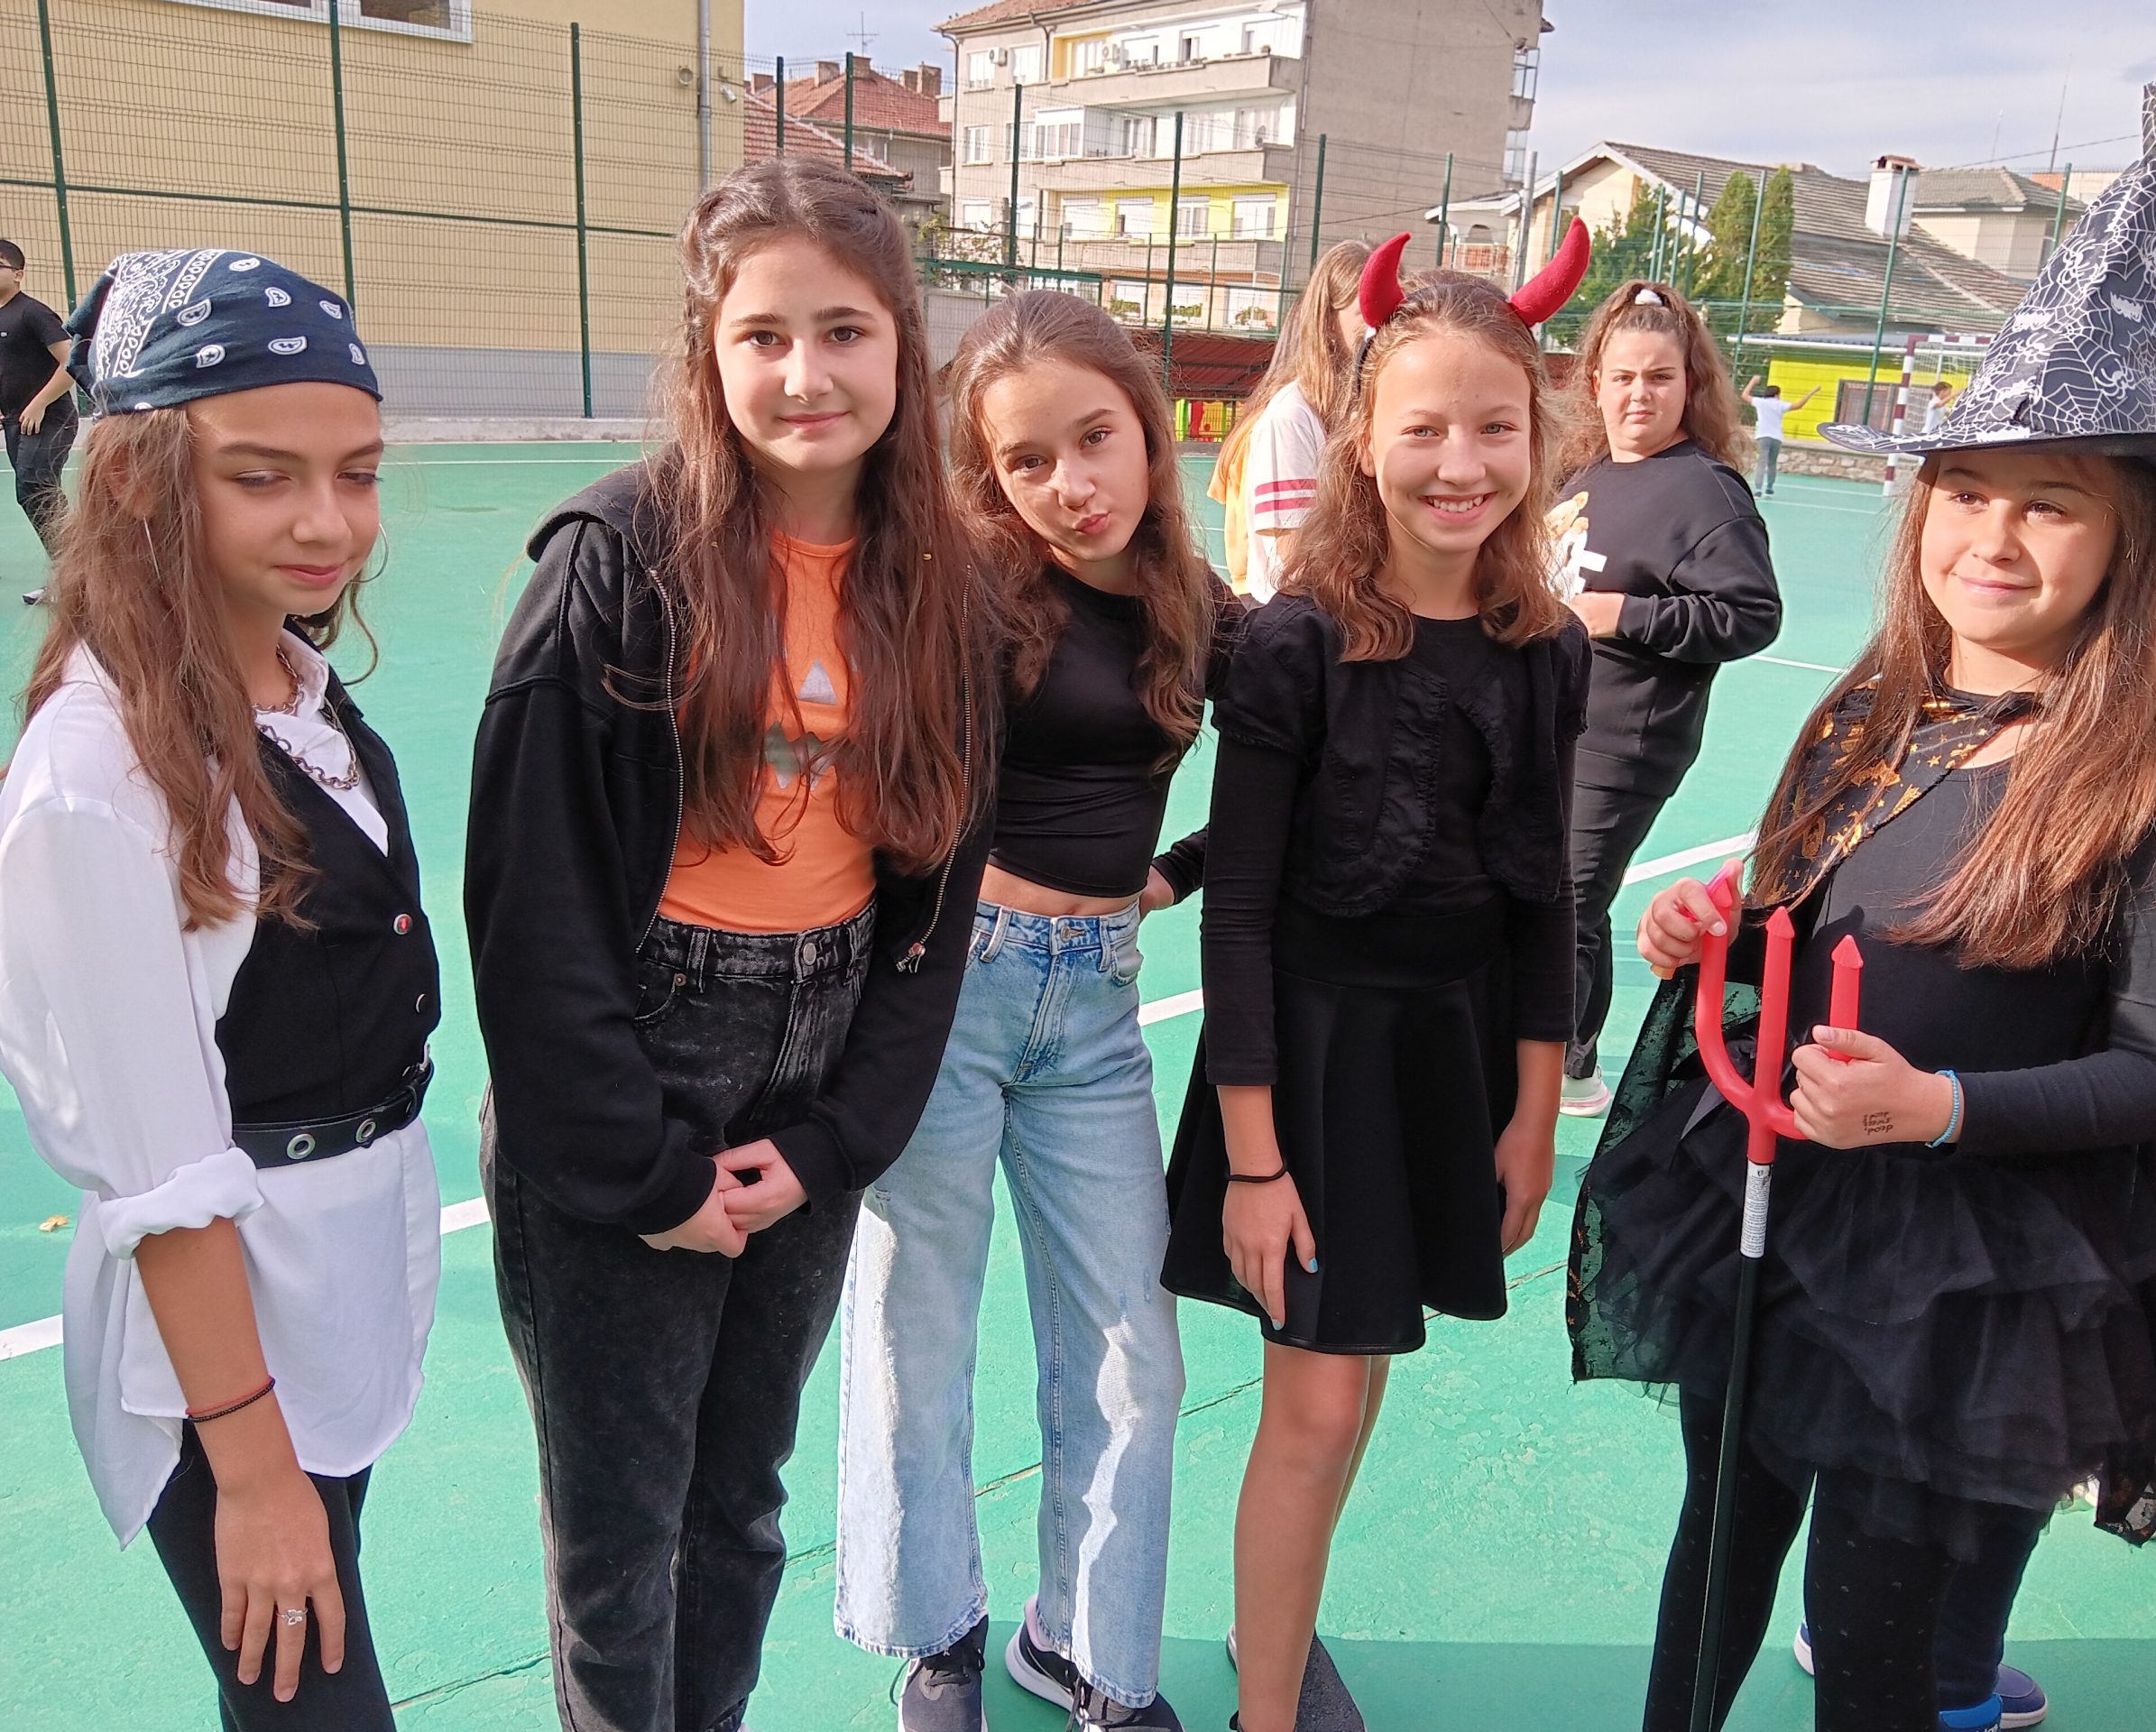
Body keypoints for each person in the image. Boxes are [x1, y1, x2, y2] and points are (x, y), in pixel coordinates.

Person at [1567, 86, 2156, 1732]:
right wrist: (1716, 941)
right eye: (1967, 492)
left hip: (1963, 1276)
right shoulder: (1868, 715)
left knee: (1877, 1641)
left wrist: (1940, 1106)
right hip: (1779, 1210)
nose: (1995, 538)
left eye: (2050, 504)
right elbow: (1798, 924)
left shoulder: (2151, 786)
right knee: (1717, 1551)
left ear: (2127, 539)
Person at [465, 158, 996, 1732]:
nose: (805, 374)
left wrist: (831, 1144)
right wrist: (646, 1174)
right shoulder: (618, 563)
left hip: (811, 1071)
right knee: (621, 1538)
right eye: (763, 335)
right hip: (637, 1067)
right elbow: (534, 917)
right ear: (708, 351)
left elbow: (932, 912)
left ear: (902, 346)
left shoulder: (942, 588)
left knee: (741, 1503)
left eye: (844, 332)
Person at [0, 249, 440, 1730]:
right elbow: (161, 1173)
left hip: (333, 1290)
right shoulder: (101, 768)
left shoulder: (290, 682)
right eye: (262, 477)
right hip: (226, 1356)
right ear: (141, 482)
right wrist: (250, 1474)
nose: (328, 521)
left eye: (356, 474)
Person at [1163, 229, 1591, 1732]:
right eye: (1425, 428)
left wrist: (1531, 1111)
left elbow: (1542, 892)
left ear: (1539, 441)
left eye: (1495, 427)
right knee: (1320, 1395)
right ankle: (1266, 1713)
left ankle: (1270, 1643)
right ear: (1363, 438)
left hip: (1448, 1059)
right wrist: (1255, 1160)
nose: (1461, 464)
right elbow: (1241, 915)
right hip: (1312, 1062)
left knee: (1365, 1375)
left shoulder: (1547, 651)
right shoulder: (1294, 645)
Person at [834, 290, 1239, 1732]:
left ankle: (1083, 1647)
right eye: (1027, 460)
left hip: (1099, 1013)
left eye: (1095, 439)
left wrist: (1177, 872)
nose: (1072, 483)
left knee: (1136, 1352)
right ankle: (935, 1627)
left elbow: (1311, 755)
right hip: (947, 991)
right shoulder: (970, 588)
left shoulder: (1196, 603)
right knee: (918, 1328)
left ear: (1149, 427)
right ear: (986, 474)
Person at [1550, 280, 1782, 1117]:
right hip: (1554, 724)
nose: (1638, 394)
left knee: (1568, 900)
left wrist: (1627, 614)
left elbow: (1752, 613)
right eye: (1622, 377)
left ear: (1691, 385)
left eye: (1658, 377)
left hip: (1626, 738)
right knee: (1555, 896)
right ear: (1596, 382)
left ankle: (1558, 1070)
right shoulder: (1585, 474)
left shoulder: (1705, 491)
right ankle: (1565, 1059)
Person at [1207, 241, 1370, 600]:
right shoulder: (1291, 418)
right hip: (1298, 611)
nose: (1380, 324)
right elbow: (1296, 559)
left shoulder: (1365, 410)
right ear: (1329, 322)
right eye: (1365, 310)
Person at [1, 237, 78, 603]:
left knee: (36, 486)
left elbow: (72, 361)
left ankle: (76, 577)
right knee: (30, 494)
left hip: (50, 418)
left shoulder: (33, 313)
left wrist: (40, 403)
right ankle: (75, 572)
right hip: (16, 421)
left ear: (18, 274)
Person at [1741, 376, 1819, 497]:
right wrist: (1811, 392)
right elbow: (1798, 405)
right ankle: (1769, 487)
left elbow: (1745, 395)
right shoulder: (1780, 404)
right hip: (1776, 437)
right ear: (1777, 394)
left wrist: (1753, 381)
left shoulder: (1760, 402)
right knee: (1772, 463)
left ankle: (1758, 489)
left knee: (1761, 462)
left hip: (1763, 436)